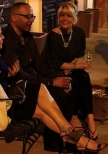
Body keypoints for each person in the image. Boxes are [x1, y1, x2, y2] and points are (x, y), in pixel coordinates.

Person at [0, 19, 108, 154]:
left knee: (42, 110)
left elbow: (1, 79)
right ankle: (71, 132)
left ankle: (73, 136)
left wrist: (8, 73)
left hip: (8, 95)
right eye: (0, 35)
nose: (3, 37)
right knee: (40, 90)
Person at [1, 2, 84, 152]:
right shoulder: (6, 40)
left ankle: (67, 132)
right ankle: (53, 142)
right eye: (28, 17)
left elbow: (39, 65)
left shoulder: (28, 37)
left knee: (73, 82)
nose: (32, 20)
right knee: (58, 92)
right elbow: (19, 75)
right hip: (18, 88)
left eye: (32, 16)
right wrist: (52, 82)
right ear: (14, 18)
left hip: (32, 80)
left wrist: (59, 76)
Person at [41, 2, 99, 144]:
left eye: (68, 16)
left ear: (74, 18)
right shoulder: (53, 36)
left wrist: (72, 67)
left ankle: (90, 118)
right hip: (54, 71)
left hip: (69, 67)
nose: (65, 19)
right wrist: (75, 67)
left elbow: (77, 54)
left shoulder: (78, 33)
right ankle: (73, 116)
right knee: (74, 80)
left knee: (84, 77)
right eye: (62, 16)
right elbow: (55, 63)